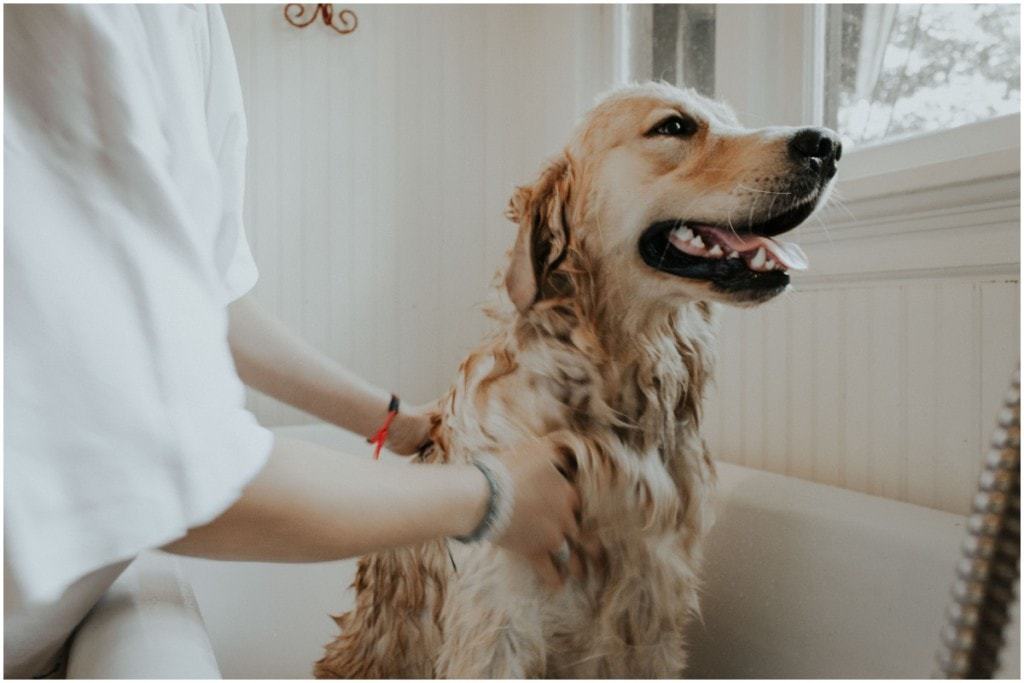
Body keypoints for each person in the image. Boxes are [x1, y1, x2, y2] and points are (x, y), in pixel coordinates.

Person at [4, 5, 579, 678]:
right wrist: (491, 499)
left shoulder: (190, 21)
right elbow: (158, 463)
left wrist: (391, 420)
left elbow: (207, 302)